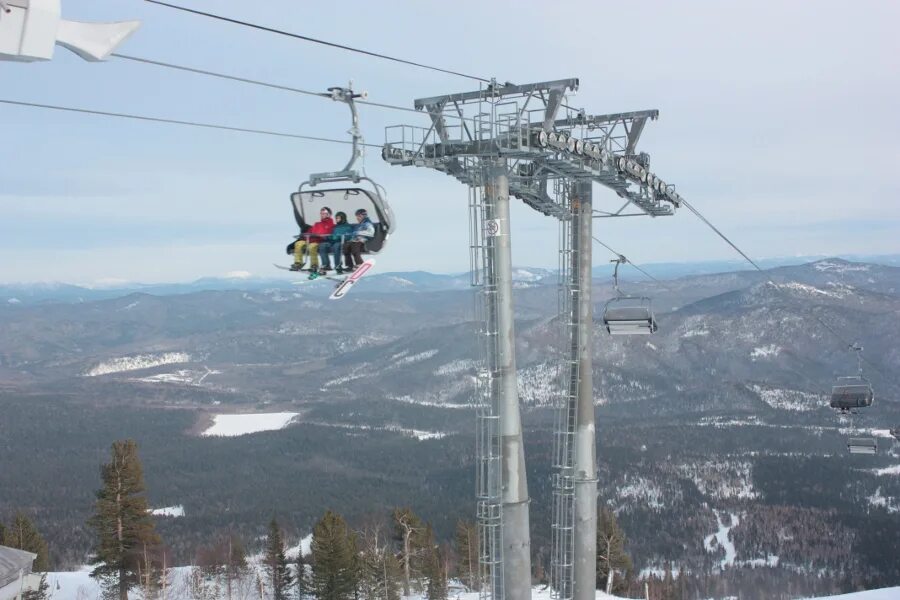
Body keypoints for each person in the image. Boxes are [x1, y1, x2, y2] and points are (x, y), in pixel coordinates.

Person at [290, 207, 334, 271]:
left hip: (319, 241)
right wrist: (304, 235)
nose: (322, 215)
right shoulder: (317, 224)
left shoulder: (331, 224)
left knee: (312, 247)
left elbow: (328, 233)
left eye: (324, 213)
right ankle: (298, 263)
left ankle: (314, 265)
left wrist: (319, 235)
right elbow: (310, 231)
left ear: (328, 214)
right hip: (310, 240)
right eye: (321, 213)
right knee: (298, 243)